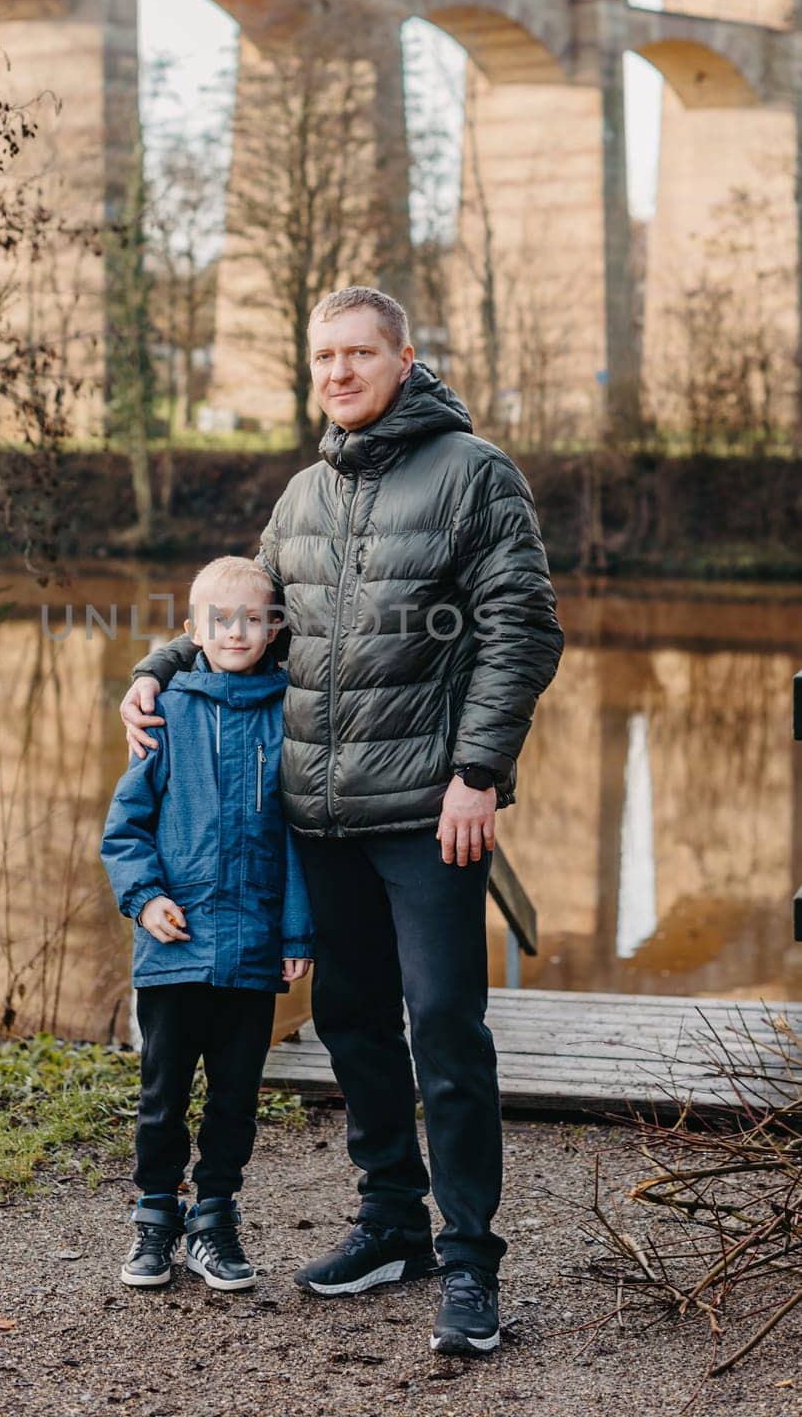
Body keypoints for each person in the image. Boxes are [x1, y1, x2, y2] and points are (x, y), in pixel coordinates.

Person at [120, 286, 564, 1354]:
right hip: (317, 819)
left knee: (447, 1031)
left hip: (428, 812)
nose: (339, 372)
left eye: (359, 352)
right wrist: (155, 669)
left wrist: (477, 772)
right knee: (350, 1024)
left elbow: (524, 631)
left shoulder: (473, 474)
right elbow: (242, 618)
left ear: (405, 358)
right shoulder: (303, 494)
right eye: (324, 355)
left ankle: (469, 1263)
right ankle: (391, 1225)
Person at [101, 555, 314, 1294]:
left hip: (254, 949)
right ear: (192, 630)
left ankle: (214, 1218)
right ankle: (156, 1217)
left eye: (252, 619)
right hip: (173, 949)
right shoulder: (168, 712)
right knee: (162, 1095)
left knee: (235, 1097)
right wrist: (143, 896)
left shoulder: (290, 714)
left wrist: (294, 934)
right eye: (218, 620)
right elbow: (125, 829)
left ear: (274, 629)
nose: (235, 631)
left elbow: (295, 839)